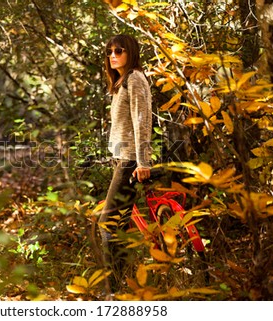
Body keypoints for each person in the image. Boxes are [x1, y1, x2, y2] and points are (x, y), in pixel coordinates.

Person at [99, 34, 152, 290]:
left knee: (107, 222)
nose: (113, 55)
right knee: (119, 223)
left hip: (131, 161)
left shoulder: (135, 79)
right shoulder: (122, 81)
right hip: (123, 157)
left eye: (119, 50)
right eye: (110, 51)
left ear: (130, 52)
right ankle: (121, 287)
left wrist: (143, 162)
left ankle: (112, 291)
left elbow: (141, 121)